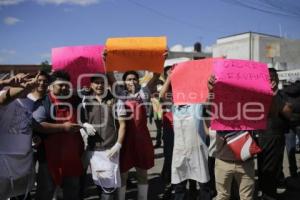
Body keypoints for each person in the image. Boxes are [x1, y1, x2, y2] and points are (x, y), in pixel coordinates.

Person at [107, 70, 159, 200]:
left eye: (134, 79)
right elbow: (110, 76)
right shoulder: (120, 94)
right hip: (124, 139)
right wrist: (105, 61)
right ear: (124, 82)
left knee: (142, 173)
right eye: (129, 79)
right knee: (123, 174)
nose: (132, 82)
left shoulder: (143, 93)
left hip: (142, 139)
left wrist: (161, 59)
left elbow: (156, 76)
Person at [160, 69, 211, 200]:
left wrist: (209, 85)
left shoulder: (198, 101)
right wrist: (170, 77)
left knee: (204, 186)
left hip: (197, 151)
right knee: (179, 187)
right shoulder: (175, 103)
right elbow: (162, 96)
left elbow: (209, 96)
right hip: (180, 151)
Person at [33, 70, 84, 200]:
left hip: (72, 156)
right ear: (51, 86)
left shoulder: (76, 100)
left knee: (72, 190)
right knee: (46, 190)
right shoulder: (44, 102)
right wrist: (63, 127)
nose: (64, 88)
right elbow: (38, 125)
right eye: (60, 85)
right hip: (49, 157)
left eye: (66, 85)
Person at [207, 75, 256, 200]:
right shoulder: (219, 106)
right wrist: (211, 91)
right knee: (222, 196)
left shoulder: (250, 105)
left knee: (247, 197)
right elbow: (207, 109)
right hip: (223, 161)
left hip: (246, 161)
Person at [81, 74, 126, 200]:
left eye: (102, 82)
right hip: (92, 149)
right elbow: (80, 120)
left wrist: (118, 144)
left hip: (110, 150)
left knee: (109, 188)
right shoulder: (85, 101)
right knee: (99, 183)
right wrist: (84, 124)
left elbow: (123, 124)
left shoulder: (116, 100)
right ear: (91, 84)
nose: (99, 85)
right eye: (96, 82)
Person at [0, 73, 39, 199]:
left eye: (28, 79)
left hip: (25, 160)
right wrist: (18, 87)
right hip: (4, 160)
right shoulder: (4, 96)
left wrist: (34, 136)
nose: (25, 82)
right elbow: (4, 100)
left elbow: (31, 124)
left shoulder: (32, 103)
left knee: (22, 195)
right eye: (21, 79)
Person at [256, 68, 293, 200]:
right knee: (263, 168)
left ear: (276, 80)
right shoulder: (261, 95)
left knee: (273, 168)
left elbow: (288, 113)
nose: (270, 80)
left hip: (276, 136)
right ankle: (265, 193)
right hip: (262, 135)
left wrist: (272, 95)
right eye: (268, 78)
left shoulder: (282, 95)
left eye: (272, 78)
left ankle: (269, 194)